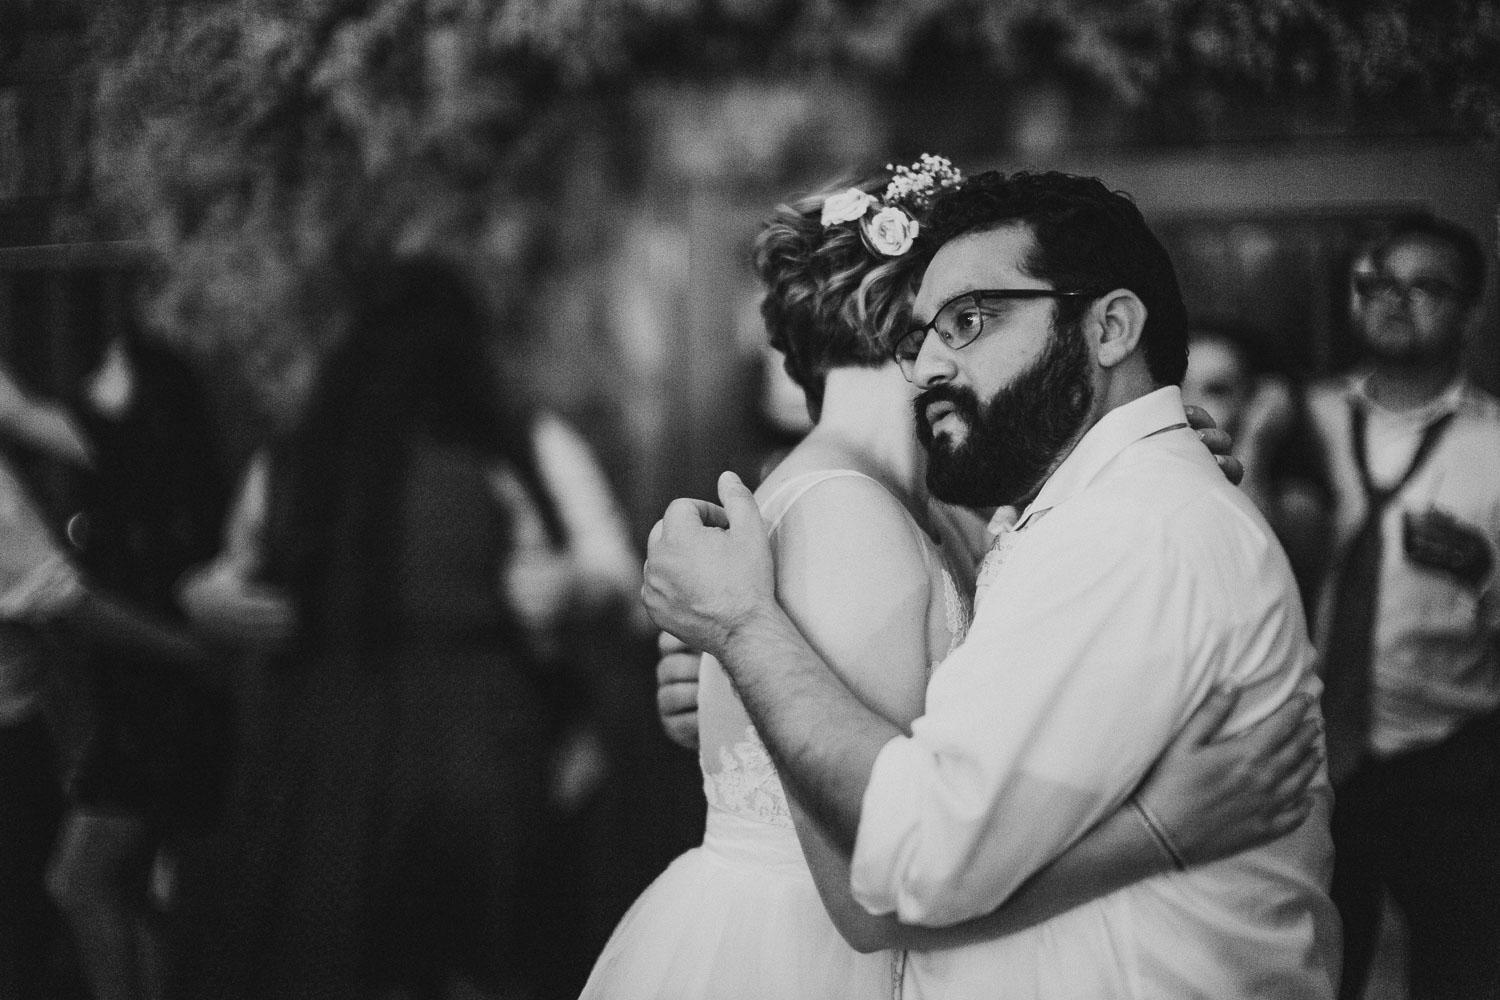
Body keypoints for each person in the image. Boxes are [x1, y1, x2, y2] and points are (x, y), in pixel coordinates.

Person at [589, 163, 1328, 999]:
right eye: (926, 329)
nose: (933, 361)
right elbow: (886, 871)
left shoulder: (1107, 521)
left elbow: (911, 851)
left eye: (969, 320)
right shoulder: (865, 510)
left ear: (1112, 326)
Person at [176, 256, 636, 1000]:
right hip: (481, 743)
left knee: (337, 957)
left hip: (331, 748)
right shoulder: (516, 442)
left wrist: (206, 601)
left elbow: (238, 573)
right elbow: (618, 576)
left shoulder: (304, 454)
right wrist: (576, 588)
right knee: (487, 963)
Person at [1307, 216, 1500, 1000]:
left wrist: (1483, 569)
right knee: (1315, 960)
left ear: (1471, 313)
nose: (1394, 301)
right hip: (1304, 751)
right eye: (1378, 283)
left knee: (1458, 962)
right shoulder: (1302, 415)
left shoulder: (1496, 447)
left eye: (1425, 286)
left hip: (1448, 759)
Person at [43, 323, 233, 1000]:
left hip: (154, 719)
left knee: (77, 881)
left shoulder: (145, 487)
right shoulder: (161, 480)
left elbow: (93, 609)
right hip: (162, 713)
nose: (94, 378)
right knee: (129, 889)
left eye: (110, 366)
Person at [1181, 322, 1332, 608]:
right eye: (1177, 384)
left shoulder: (1295, 504)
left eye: (1216, 390)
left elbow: (1245, 565)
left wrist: (1256, 438)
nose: (1188, 404)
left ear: (1256, 402)